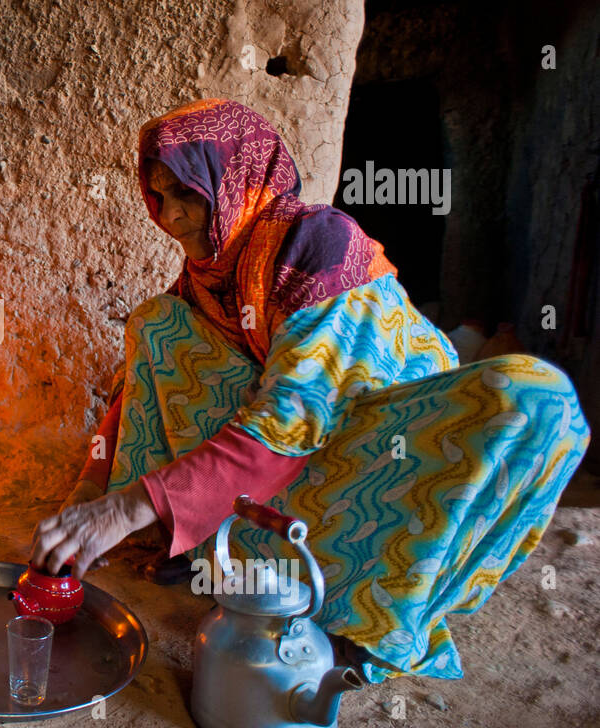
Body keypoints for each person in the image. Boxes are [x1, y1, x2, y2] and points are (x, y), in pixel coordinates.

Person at [30, 98, 591, 683]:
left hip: (391, 456)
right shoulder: (210, 279)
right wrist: (88, 498)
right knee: (158, 323)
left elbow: (291, 419)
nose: (170, 216)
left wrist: (124, 507)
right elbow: (136, 391)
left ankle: (377, 617)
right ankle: (197, 547)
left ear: (238, 177)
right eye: (159, 195)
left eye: (188, 193)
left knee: (534, 395)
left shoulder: (318, 246)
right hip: (294, 468)